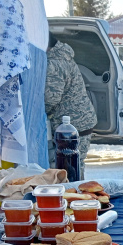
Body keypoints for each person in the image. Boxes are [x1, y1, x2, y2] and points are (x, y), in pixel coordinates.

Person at [45, 32, 97, 178]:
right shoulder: (63, 56)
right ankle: (79, 194)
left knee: (70, 169)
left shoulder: (55, 62)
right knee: (76, 165)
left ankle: (76, 196)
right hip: (81, 121)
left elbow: (50, 98)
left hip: (73, 126)